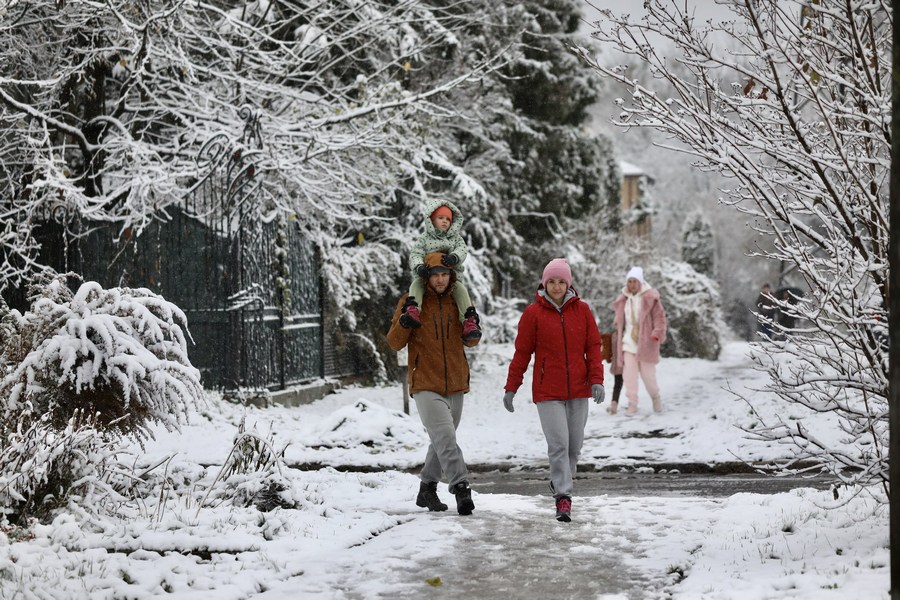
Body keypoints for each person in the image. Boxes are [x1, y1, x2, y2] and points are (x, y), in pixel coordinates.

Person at [502, 258, 605, 522]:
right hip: (548, 392)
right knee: (559, 445)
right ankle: (563, 497)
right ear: (544, 283)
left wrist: (597, 380)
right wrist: (512, 387)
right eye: (552, 281)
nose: (556, 286)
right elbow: (522, 353)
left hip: (579, 390)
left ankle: (560, 482)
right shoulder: (533, 314)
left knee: (574, 447)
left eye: (561, 281)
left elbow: (593, 347)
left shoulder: (582, 311)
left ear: (568, 283)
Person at [387, 251, 481, 516]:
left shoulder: (458, 301)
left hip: (456, 381)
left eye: (444, 274)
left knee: (441, 441)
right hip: (425, 381)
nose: (440, 280)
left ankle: (427, 488)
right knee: (446, 438)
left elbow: (471, 340)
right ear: (426, 276)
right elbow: (394, 342)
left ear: (451, 276)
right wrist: (406, 320)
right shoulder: (412, 301)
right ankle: (461, 488)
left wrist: (473, 328)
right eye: (435, 275)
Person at [399, 199, 481, 341]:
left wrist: (454, 257)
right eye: (440, 218)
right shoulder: (424, 238)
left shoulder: (456, 238)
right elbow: (416, 254)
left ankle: (469, 320)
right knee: (416, 285)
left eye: (448, 219)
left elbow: (462, 250)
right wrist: (419, 266)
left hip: (451, 274)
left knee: (460, 290)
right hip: (426, 273)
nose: (444, 222)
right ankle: (413, 310)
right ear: (432, 220)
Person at [612, 266, 667, 416]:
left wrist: (657, 333)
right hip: (628, 342)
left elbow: (660, 318)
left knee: (648, 376)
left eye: (634, 281)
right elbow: (621, 318)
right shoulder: (623, 299)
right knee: (629, 375)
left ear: (641, 282)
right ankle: (632, 403)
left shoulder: (650, 298)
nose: (631, 284)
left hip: (646, 342)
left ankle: (655, 397)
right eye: (629, 281)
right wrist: (618, 322)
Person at [604, 330, 624, 415]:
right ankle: (632, 404)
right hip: (627, 364)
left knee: (617, 385)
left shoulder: (615, 335)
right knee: (630, 384)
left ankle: (614, 406)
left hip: (618, 365)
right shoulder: (624, 334)